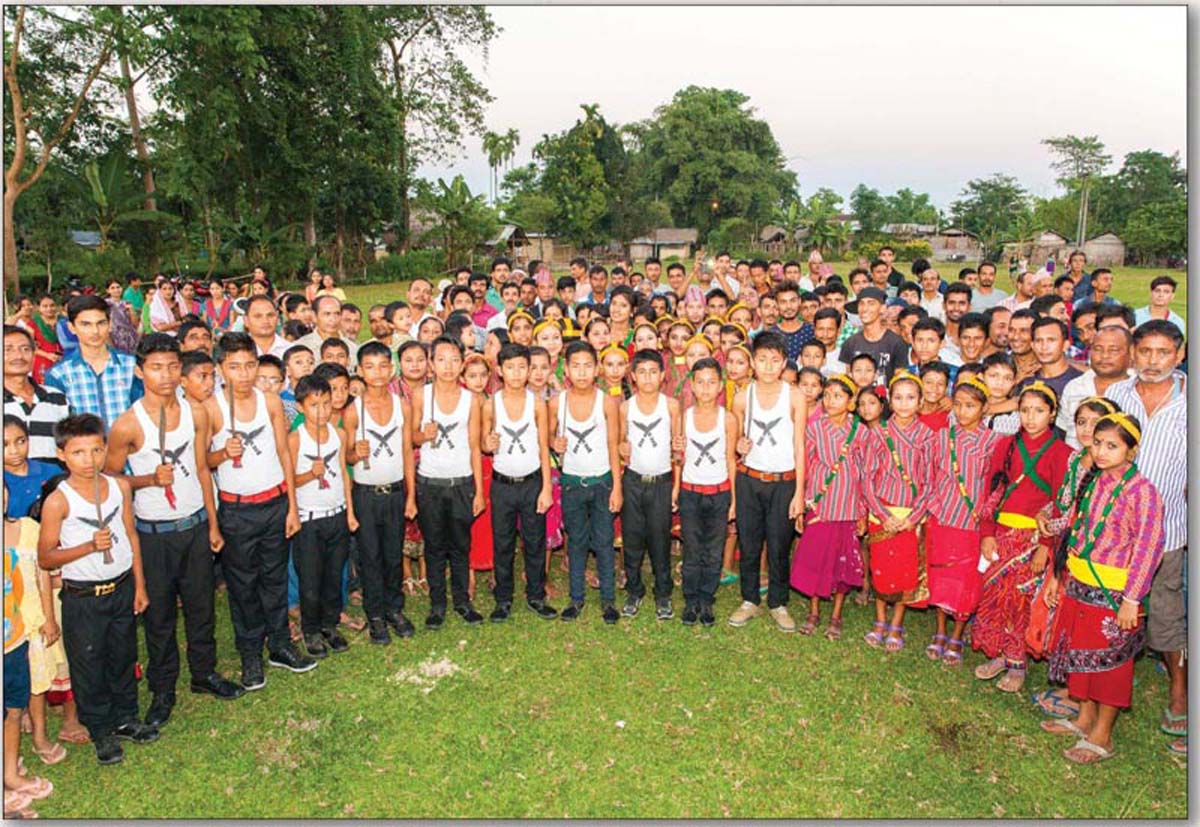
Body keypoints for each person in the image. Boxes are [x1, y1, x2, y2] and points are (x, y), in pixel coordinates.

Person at [104, 334, 243, 729]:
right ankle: (163, 688)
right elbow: (110, 479)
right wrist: (148, 479)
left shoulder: (196, 412)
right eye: (155, 368)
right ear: (140, 372)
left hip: (194, 524)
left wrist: (213, 523)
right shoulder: (128, 424)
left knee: (201, 606)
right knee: (160, 615)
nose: (165, 375)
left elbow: (201, 468)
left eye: (171, 367)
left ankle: (204, 672)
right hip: (153, 533)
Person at [1041, 413, 1164, 764]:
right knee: (1080, 654)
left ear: (1131, 451)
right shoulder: (1094, 480)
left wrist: (1131, 599)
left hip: (1114, 592)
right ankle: (1084, 718)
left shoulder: (1142, 492)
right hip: (1080, 582)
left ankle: (1103, 734)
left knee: (1110, 665)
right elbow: (1076, 523)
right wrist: (1050, 529)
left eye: (1112, 446)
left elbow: (1148, 548)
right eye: (1097, 443)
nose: (1101, 452)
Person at [37, 414, 159, 764]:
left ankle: (125, 717)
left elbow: (131, 534)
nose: (88, 460)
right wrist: (88, 547)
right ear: (62, 455)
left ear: (105, 449)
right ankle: (100, 729)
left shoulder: (118, 487)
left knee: (123, 654)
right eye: (78, 452)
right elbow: (46, 557)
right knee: (89, 663)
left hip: (120, 586)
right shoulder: (58, 501)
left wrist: (139, 584)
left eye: (95, 450)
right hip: (83, 596)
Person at [205, 332, 312, 690]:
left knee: (274, 577)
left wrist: (292, 507)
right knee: (243, 584)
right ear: (221, 369)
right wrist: (223, 453)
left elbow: (283, 453)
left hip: (274, 502)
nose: (244, 374)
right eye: (234, 367)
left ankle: (280, 644)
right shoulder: (211, 407)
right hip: (237, 510)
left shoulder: (270, 402)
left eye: (250, 365)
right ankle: (250, 652)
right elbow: (202, 462)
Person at [1105, 320, 1188, 755]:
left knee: (1167, 614)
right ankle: (1100, 679)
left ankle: (1180, 690)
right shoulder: (1117, 395)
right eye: (1145, 351)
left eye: (1163, 352)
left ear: (1180, 354)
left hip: (1168, 530)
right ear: (1133, 352)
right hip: (1112, 532)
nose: (1153, 361)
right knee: (1107, 608)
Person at [972, 382, 1070, 694]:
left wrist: (1045, 547)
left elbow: (1059, 504)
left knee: (1019, 601)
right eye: (1025, 410)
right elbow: (992, 491)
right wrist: (987, 533)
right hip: (1001, 533)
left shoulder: (1062, 453)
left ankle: (1017, 663)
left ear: (1052, 414)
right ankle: (1001, 653)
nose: (1030, 417)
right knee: (994, 595)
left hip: (1032, 539)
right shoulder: (1006, 445)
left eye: (1039, 411)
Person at [915, 377, 999, 665]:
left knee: (966, 580)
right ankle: (940, 630)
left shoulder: (994, 442)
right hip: (943, 516)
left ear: (984, 408)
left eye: (971, 406)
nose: (963, 412)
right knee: (941, 576)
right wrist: (934, 507)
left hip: (973, 521)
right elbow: (928, 477)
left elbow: (995, 485)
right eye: (959, 405)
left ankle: (958, 633)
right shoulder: (941, 437)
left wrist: (985, 515)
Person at [729, 331, 807, 632]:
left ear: (784, 362)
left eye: (775, 360)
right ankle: (749, 599)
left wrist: (799, 492)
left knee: (778, 545)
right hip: (750, 479)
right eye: (762, 359)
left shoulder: (795, 396)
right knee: (749, 544)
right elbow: (735, 440)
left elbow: (799, 446)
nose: (769, 366)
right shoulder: (742, 397)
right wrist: (739, 446)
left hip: (783, 481)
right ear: (753, 362)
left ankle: (778, 602)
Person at [343, 341, 417, 643]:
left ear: (392, 369)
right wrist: (354, 454)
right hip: (366, 494)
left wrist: (411, 496)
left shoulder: (402, 405)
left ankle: (394, 608)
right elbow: (346, 457)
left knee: (392, 552)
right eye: (370, 367)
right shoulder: (353, 411)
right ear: (360, 371)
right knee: (370, 555)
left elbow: (407, 451)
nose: (377, 373)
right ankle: (375, 614)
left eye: (383, 366)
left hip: (395, 491)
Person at [412, 336, 485, 629]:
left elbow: (475, 446)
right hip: (429, 482)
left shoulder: (471, 399)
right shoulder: (421, 396)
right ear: (431, 364)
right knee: (434, 545)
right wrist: (423, 435)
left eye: (455, 359)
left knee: (460, 544)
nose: (448, 366)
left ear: (462, 363)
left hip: (461, 482)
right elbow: (411, 437)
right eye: (441, 359)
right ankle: (437, 604)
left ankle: (462, 601)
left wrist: (479, 491)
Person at [859, 371, 933, 653]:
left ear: (921, 401)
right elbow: (867, 478)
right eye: (898, 398)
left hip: (910, 516)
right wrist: (882, 515)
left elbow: (929, 483)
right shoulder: (878, 433)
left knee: (905, 572)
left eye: (910, 398)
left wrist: (912, 518)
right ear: (889, 401)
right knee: (880, 569)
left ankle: (897, 623)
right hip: (882, 512)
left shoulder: (928, 436)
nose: (904, 403)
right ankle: (880, 620)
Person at [481, 343, 557, 621]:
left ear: (528, 370)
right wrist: (488, 444)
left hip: (531, 482)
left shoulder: (537, 404)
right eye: (510, 367)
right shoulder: (491, 404)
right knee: (502, 543)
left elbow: (543, 447)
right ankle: (503, 598)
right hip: (502, 485)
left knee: (534, 541)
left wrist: (546, 488)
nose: (516, 373)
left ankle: (536, 595)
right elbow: (483, 442)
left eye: (522, 367)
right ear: (499, 370)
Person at [549, 340, 622, 624]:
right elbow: (547, 436)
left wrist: (617, 487)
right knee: (576, 541)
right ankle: (576, 598)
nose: (581, 372)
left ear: (597, 369)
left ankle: (608, 600)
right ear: (566, 370)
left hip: (601, 481)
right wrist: (553, 442)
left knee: (604, 542)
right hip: (571, 482)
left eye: (587, 366)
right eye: (575, 366)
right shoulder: (558, 402)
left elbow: (614, 445)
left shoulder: (607, 402)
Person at [789, 373, 865, 639]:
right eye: (828, 395)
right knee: (815, 559)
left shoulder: (860, 431)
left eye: (838, 396)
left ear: (851, 402)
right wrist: (801, 502)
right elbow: (805, 465)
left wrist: (863, 511)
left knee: (841, 563)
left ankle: (836, 615)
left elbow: (864, 474)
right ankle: (813, 611)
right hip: (820, 505)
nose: (831, 400)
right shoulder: (815, 428)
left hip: (847, 507)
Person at [289, 375, 357, 660]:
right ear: (301, 407)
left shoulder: (338, 435)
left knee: (333, 573)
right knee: (310, 577)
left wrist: (350, 512)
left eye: (327, 404)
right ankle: (311, 629)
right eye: (314, 405)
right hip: (309, 518)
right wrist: (309, 474)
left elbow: (343, 474)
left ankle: (329, 623)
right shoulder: (295, 439)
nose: (322, 411)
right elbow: (289, 481)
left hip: (336, 513)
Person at [617, 350, 681, 621]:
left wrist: (676, 487)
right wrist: (621, 448)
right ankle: (634, 589)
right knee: (632, 539)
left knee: (659, 539)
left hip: (661, 482)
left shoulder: (671, 406)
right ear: (632, 376)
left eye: (653, 372)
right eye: (641, 372)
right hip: (633, 481)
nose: (647, 378)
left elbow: (678, 449)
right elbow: (621, 441)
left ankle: (663, 592)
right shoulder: (626, 407)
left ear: (663, 375)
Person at [677, 357, 736, 626]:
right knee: (692, 548)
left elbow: (731, 459)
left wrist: (733, 499)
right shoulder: (684, 417)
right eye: (700, 382)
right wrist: (676, 488)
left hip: (719, 492)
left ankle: (707, 598)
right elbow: (678, 458)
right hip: (690, 492)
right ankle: (691, 599)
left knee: (713, 551)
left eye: (712, 382)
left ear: (720, 386)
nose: (705, 388)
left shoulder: (728, 418)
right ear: (692, 384)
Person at [44, 295, 142, 430]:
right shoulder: (58, 374)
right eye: (86, 324)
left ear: (110, 325)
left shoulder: (131, 365)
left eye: (101, 323)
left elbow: (143, 412)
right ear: (72, 328)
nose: (95, 331)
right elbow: (57, 424)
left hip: (127, 443)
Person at [1057, 327, 1133, 448]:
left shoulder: (1138, 390)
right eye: (1097, 349)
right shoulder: (1074, 387)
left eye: (1113, 350)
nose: (1104, 356)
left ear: (1131, 352)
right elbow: (1062, 431)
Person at [4, 325, 70, 466]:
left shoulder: (56, 397)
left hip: (54, 477)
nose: (18, 356)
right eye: (7, 349)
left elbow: (69, 444)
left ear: (34, 355)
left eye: (25, 349)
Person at [837, 287, 908, 383]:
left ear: (882, 308)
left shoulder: (896, 343)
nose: (865, 308)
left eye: (871, 303)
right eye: (861, 304)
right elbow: (848, 380)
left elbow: (900, 381)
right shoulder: (850, 343)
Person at [296, 296, 358, 370]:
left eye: (337, 313)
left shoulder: (353, 349)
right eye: (327, 314)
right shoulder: (301, 347)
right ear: (314, 316)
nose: (333, 319)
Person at [770, 281, 816, 362]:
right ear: (776, 305)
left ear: (799, 301)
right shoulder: (770, 335)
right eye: (783, 302)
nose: (789, 306)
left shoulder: (812, 331)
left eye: (792, 301)